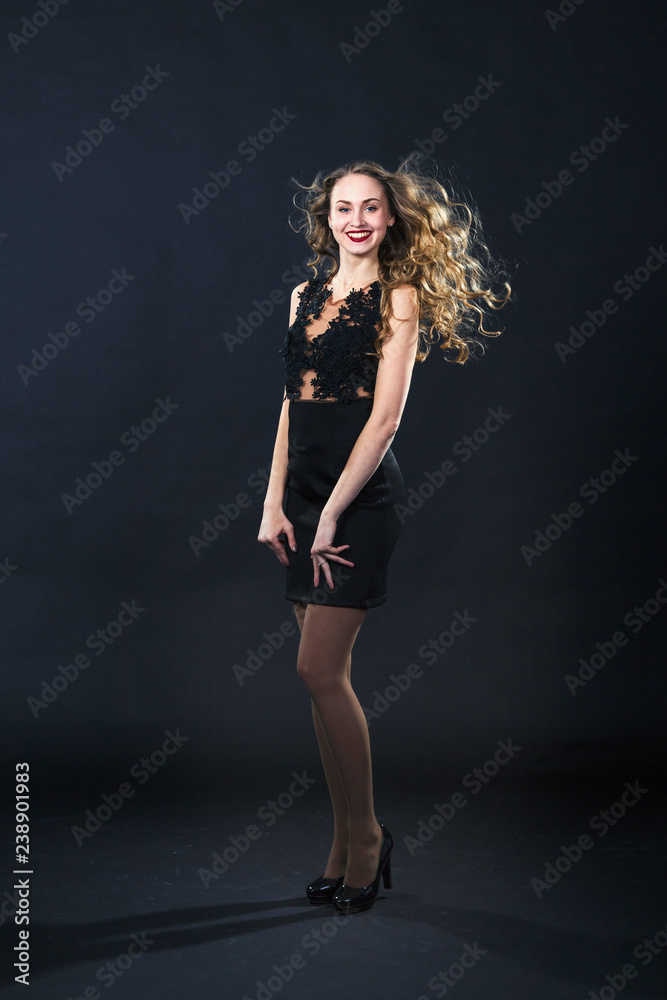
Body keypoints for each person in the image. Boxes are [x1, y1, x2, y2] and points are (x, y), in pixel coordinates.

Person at [257, 157, 510, 914]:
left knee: (317, 671)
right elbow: (289, 404)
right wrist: (273, 500)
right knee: (318, 678)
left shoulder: (396, 297)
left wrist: (332, 510)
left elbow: (386, 419)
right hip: (301, 497)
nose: (356, 219)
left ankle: (366, 839)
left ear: (390, 218)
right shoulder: (303, 294)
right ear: (325, 217)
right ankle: (342, 842)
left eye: (370, 207)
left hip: (358, 499)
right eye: (343, 207)